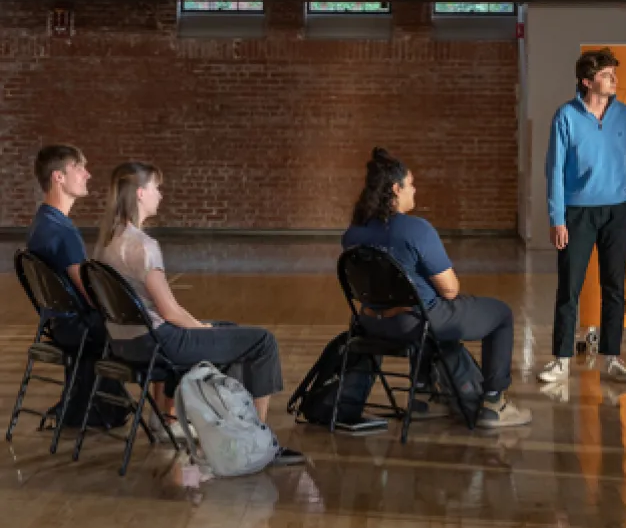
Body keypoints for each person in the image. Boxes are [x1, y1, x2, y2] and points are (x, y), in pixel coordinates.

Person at [95, 162, 303, 464]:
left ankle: (209, 423)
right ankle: (258, 439)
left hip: (126, 343)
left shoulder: (106, 244)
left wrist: (203, 326)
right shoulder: (143, 246)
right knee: (263, 342)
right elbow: (169, 312)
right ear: (140, 194)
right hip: (159, 342)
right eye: (157, 188)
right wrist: (200, 328)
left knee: (228, 328)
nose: (160, 195)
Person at [342, 148, 532, 429]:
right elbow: (450, 290)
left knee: (431, 315)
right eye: (412, 184)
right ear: (396, 189)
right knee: (500, 314)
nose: (415, 190)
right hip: (413, 323)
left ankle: (422, 396)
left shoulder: (353, 234)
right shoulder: (416, 229)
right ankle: (493, 402)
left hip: (370, 323)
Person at [541, 47, 626, 385]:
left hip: (617, 211)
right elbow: (554, 170)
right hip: (577, 213)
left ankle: (612, 358)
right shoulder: (565, 116)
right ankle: (561, 360)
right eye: (606, 75)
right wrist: (557, 218)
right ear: (587, 81)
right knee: (569, 288)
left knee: (616, 287)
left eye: (614, 74)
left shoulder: (624, 115)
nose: (614, 80)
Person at [26, 145, 95, 347]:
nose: (87, 174)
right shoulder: (62, 231)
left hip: (57, 324)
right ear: (59, 177)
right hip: (79, 327)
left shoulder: (42, 222)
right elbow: (89, 294)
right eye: (79, 168)